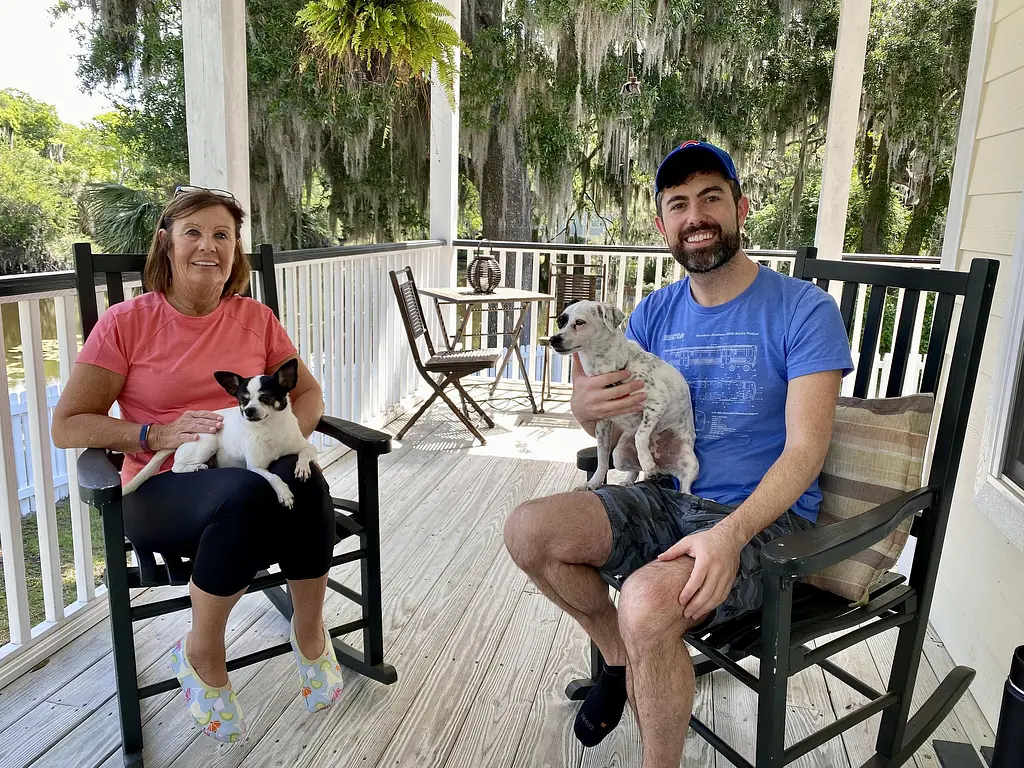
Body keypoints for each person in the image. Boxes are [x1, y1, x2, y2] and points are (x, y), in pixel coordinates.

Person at [503, 141, 854, 767]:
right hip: (666, 491)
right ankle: (617, 658)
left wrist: (732, 533)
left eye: (711, 198)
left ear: (741, 208)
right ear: (664, 224)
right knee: (529, 531)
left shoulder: (804, 310)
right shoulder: (654, 311)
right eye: (678, 204)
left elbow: (806, 452)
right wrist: (587, 413)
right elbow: (614, 420)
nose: (696, 216)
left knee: (645, 599)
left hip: (764, 522)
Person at [51, 187, 344, 744]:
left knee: (301, 480)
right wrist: (153, 432)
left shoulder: (255, 319)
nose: (208, 246)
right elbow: (67, 424)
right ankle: (202, 650)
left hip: (242, 478)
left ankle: (309, 631)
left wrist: (284, 445)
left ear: (236, 251)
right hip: (162, 488)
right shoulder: (125, 322)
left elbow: (308, 394)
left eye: (222, 236)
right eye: (193, 232)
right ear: (166, 243)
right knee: (250, 494)